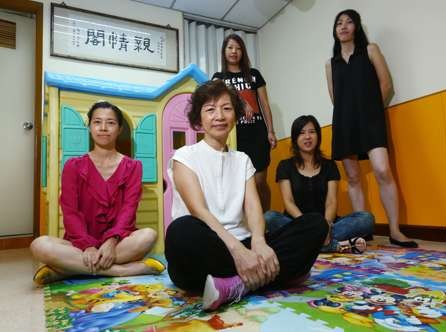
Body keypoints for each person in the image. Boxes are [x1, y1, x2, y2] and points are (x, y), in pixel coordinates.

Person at [165, 80, 328, 311]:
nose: (219, 116)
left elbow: (253, 208)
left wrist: (259, 243)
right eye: (210, 110)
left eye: (226, 108)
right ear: (199, 119)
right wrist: (238, 251)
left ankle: (236, 285)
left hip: (245, 243)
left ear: (236, 115)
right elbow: (198, 211)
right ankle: (274, 275)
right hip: (208, 246)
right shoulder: (184, 156)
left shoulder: (242, 159)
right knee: (179, 231)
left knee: (315, 224)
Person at [30, 101, 164, 286]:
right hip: (79, 245)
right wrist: (88, 246)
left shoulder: (133, 167)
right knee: (39, 245)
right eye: (97, 122)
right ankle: (122, 270)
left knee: (148, 235)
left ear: (119, 129)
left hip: (118, 242)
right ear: (89, 126)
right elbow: (70, 212)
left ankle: (67, 271)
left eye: (110, 123)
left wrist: (111, 241)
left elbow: (129, 209)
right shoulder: (73, 166)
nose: (103, 128)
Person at [325, 9, 417, 247]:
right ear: (335, 31)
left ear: (357, 27)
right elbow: (336, 98)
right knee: (353, 178)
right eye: (339, 23)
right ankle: (362, 231)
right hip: (344, 123)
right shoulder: (330, 64)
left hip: (371, 119)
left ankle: (395, 231)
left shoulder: (370, 50)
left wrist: (371, 111)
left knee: (382, 170)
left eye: (349, 22)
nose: (343, 26)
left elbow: (386, 85)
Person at [265, 115, 374, 253]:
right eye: (302, 133)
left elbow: (331, 201)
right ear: (295, 138)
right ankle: (331, 246)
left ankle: (304, 244)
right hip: (296, 223)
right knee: (269, 217)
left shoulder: (329, 165)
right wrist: (306, 225)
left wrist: (326, 225)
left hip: (327, 223)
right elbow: (288, 202)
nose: (307, 137)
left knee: (366, 218)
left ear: (318, 135)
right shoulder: (285, 166)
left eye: (312, 132)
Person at [212, 34, 276, 211]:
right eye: (230, 47)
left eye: (238, 48)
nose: (234, 51)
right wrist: (241, 101)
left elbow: (264, 104)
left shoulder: (254, 75)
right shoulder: (219, 78)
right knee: (240, 184)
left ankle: (266, 217)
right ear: (224, 52)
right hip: (235, 136)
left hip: (257, 132)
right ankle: (247, 222)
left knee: (260, 181)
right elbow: (218, 96)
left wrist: (271, 131)